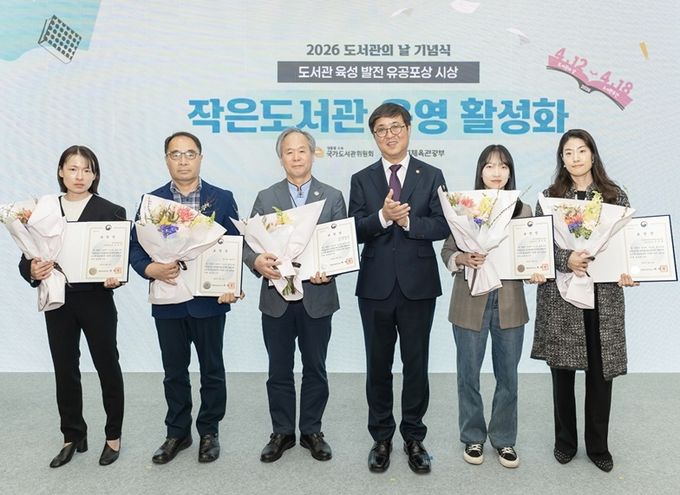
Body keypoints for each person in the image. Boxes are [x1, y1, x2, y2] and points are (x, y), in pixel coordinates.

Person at [348, 103, 449, 474]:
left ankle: (414, 437)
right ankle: (381, 437)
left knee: (416, 364)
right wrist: (382, 217)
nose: (389, 134)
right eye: (381, 129)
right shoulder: (362, 178)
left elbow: (443, 225)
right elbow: (352, 229)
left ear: (408, 129)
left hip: (418, 286)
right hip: (375, 286)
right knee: (378, 365)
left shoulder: (432, 174)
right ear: (374, 136)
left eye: (395, 126)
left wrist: (407, 223)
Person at [129, 131, 241, 464]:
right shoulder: (152, 201)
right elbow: (135, 246)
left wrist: (231, 283)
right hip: (167, 299)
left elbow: (235, 245)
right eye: (175, 154)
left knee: (212, 369)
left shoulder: (222, 198)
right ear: (166, 159)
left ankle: (209, 432)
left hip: (209, 301)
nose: (183, 160)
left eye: (189, 154)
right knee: (174, 371)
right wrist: (150, 269)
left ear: (200, 158)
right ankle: (177, 432)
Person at [532, 129, 638, 472]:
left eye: (581, 150)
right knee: (562, 374)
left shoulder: (614, 196)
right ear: (561, 160)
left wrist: (630, 270)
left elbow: (626, 245)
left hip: (603, 296)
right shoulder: (550, 198)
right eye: (568, 152)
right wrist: (567, 260)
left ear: (593, 155)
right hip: (561, 296)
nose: (575, 157)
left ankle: (598, 446)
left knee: (600, 373)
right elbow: (539, 247)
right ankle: (565, 442)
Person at [243, 127, 347, 463]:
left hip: (317, 295)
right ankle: (282, 431)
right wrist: (257, 262)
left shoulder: (332, 196)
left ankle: (312, 430)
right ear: (281, 158)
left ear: (312, 154)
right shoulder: (266, 196)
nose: (296, 156)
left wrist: (330, 269)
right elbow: (247, 245)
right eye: (289, 151)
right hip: (276, 297)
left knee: (315, 367)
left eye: (302, 150)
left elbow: (340, 245)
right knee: (279, 368)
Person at [19, 145, 125, 467]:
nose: (80, 176)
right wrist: (32, 270)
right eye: (73, 168)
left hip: (96, 300)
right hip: (58, 300)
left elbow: (117, 261)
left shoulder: (111, 210)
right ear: (61, 171)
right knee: (65, 369)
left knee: (107, 366)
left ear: (95, 175)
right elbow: (26, 258)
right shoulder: (44, 210)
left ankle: (113, 436)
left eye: (87, 170)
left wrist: (115, 277)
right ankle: (72, 435)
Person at [440, 145, 545, 469]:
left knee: (508, 377)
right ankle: (473, 436)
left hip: (510, 301)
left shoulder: (523, 210)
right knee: (468, 375)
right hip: (469, 300)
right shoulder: (464, 207)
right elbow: (446, 251)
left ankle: (504, 439)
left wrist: (536, 270)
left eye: (503, 166)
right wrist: (462, 258)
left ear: (510, 171)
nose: (496, 172)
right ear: (480, 172)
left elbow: (533, 253)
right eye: (489, 166)